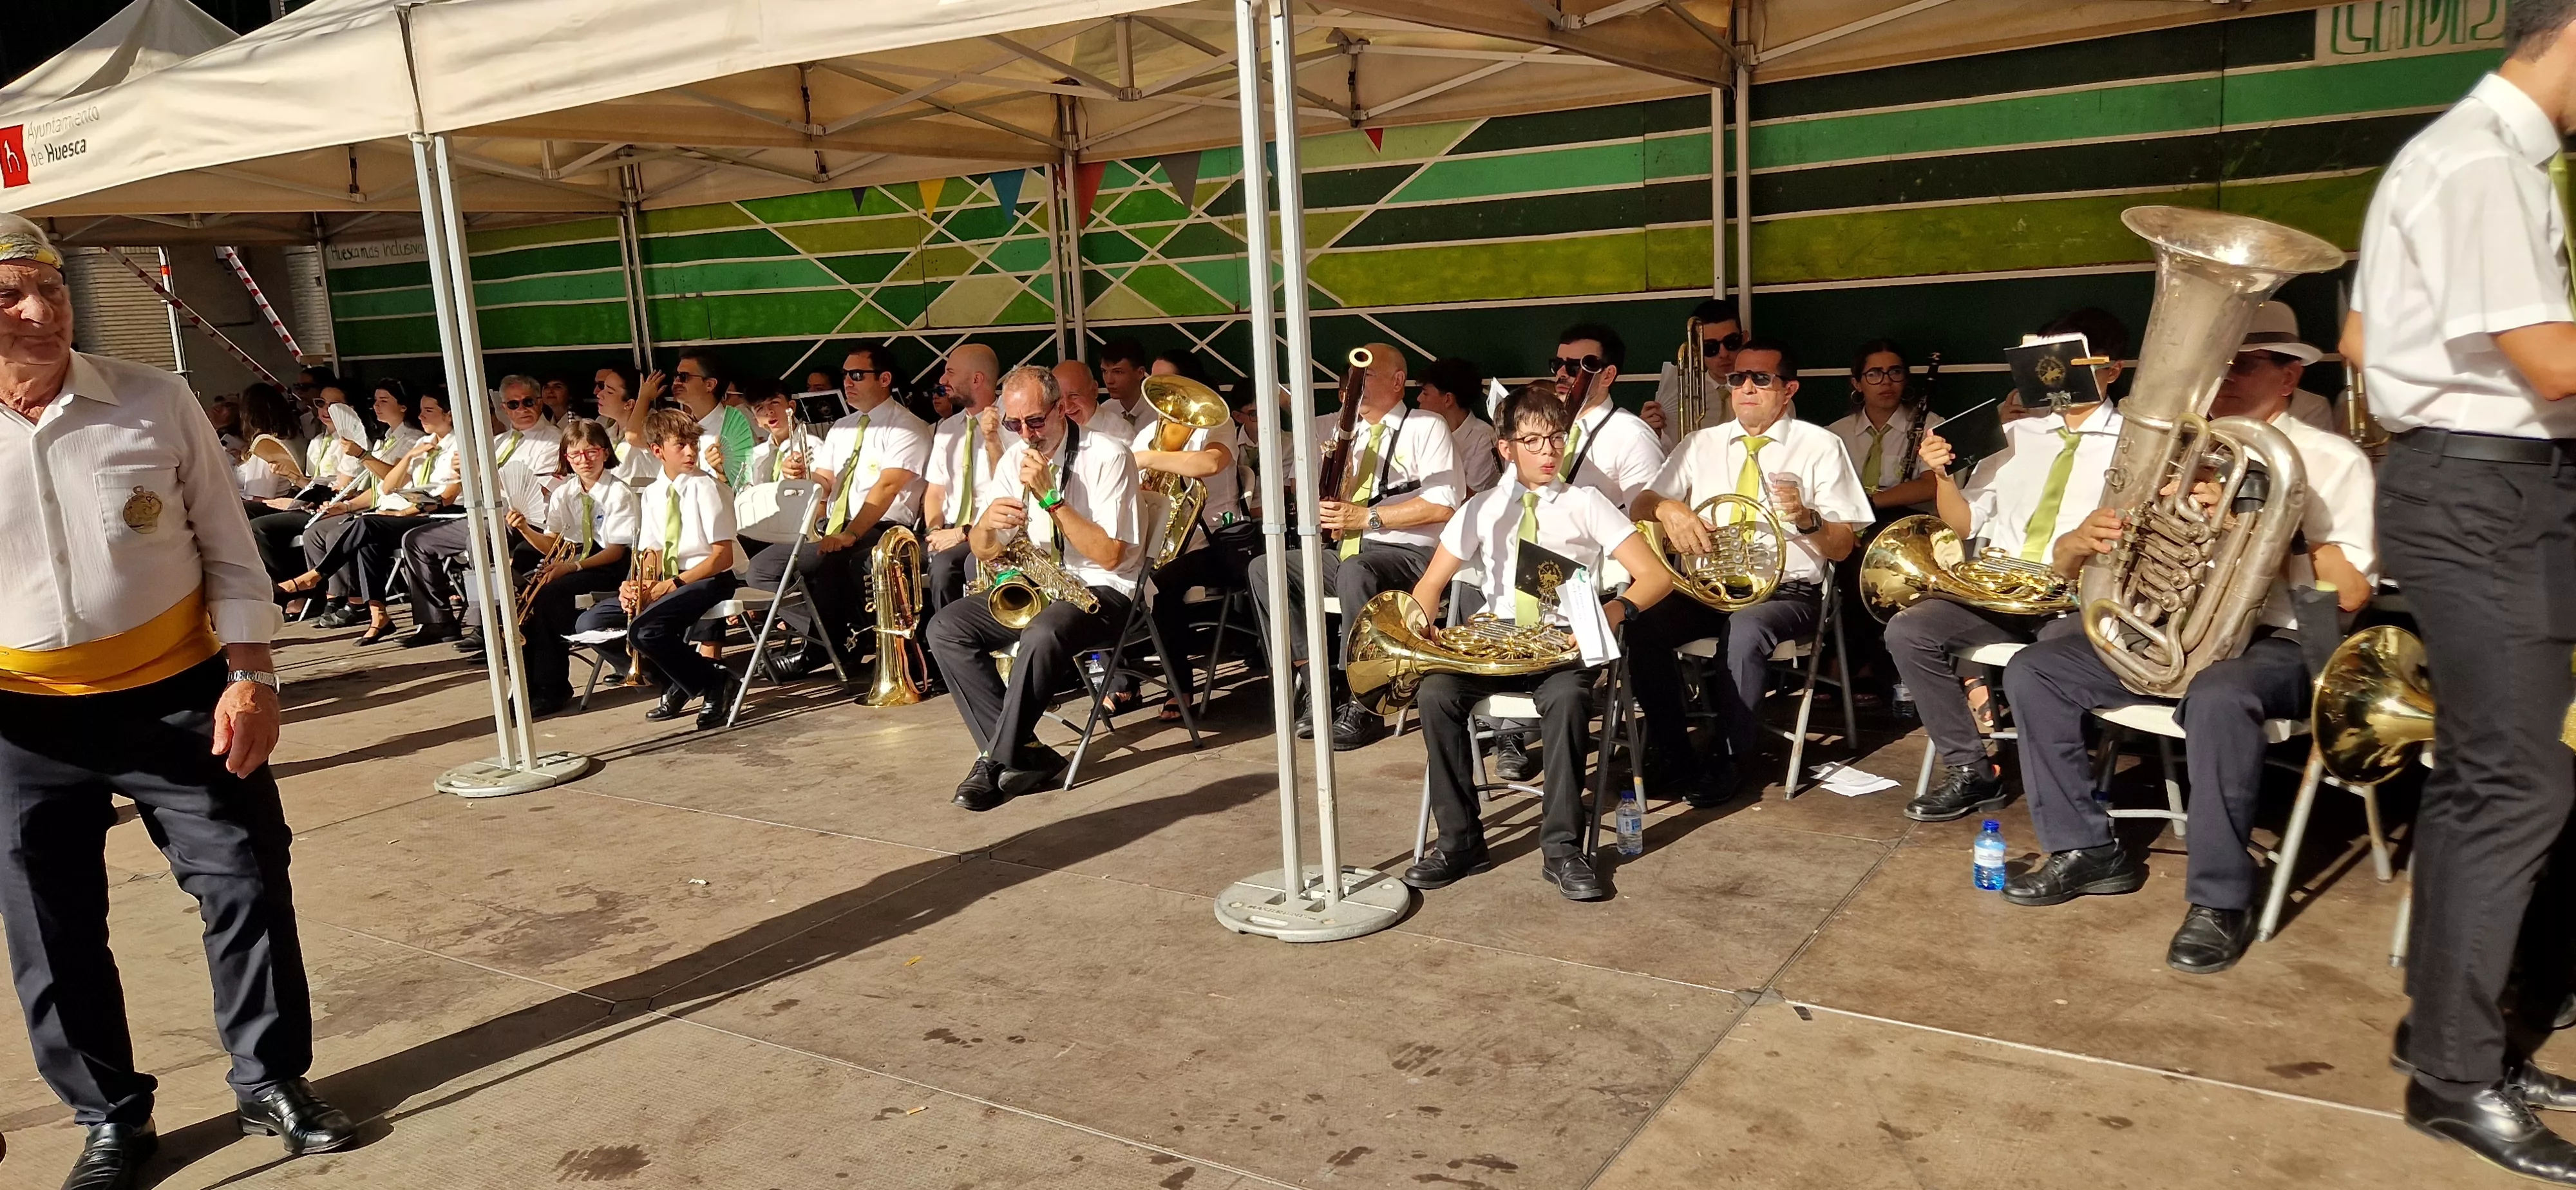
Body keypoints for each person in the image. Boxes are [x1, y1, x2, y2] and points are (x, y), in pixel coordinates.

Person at [0, 212, 355, 1190]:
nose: (42, 312)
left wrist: (253, 673)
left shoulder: (153, 400)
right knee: (49, 922)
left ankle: (270, 1077)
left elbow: (228, 551)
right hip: (21, 720)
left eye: (54, 289)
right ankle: (110, 1115)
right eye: (10, 297)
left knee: (243, 879)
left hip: (180, 693)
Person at [2344, 8, 2576, 1178]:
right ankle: (2455, 1074)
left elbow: (2359, 333)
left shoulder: (2453, 155)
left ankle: (2451, 1031)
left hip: (2466, 487)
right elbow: (2553, 363)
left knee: (2486, 777)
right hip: (2491, 494)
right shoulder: (2487, 163)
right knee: (2523, 783)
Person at [1996, 316, 2376, 965]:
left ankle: (2219, 900)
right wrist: (2113, 536)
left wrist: (2264, 531)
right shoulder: (2184, 449)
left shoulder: (2331, 459)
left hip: (2282, 640)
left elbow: (2348, 594)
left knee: (2219, 695)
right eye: (2220, 361)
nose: (2224, 375)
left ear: (2289, 378)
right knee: (2037, 670)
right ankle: (2086, 849)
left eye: (2246, 364)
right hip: (2176, 629)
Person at [1401, 388, 1675, 902]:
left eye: (1555, 438)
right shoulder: (1482, 508)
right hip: (1496, 639)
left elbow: (1655, 577)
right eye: (1532, 441)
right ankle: (1460, 842)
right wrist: (1421, 626)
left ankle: (1563, 848)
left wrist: (1609, 613)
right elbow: (1432, 584)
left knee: (1569, 700)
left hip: (1561, 640)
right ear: (1506, 448)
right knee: (1435, 694)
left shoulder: (1586, 503)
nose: (1548, 451)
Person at [1887, 309, 2130, 824]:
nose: (2054, 374)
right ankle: (1971, 768)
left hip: (2077, 597)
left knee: (2045, 662)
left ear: (2111, 369)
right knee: (1909, 630)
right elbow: (1965, 523)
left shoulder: (2135, 442)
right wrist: (1944, 476)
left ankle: (2069, 786)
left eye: (2069, 360)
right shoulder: (2019, 434)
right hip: (2003, 589)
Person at [1626, 339, 1871, 804]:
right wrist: (1671, 510)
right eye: (1738, 378)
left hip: (1786, 592)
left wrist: (1807, 519)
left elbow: (1843, 548)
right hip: (1711, 587)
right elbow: (1642, 502)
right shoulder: (1702, 443)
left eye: (1761, 379)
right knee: (1644, 624)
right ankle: (1674, 753)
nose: (1746, 388)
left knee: (1744, 629)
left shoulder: (1821, 445)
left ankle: (1732, 760)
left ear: (1788, 388)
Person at [925, 365, 1144, 808]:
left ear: (1062, 408)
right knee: (946, 628)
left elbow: (1110, 555)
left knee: (1043, 633)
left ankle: (993, 761)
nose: (1025, 433)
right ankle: (1023, 753)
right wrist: (984, 526)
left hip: (1105, 590)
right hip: (1042, 583)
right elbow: (986, 551)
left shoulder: (1109, 456)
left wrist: (1052, 499)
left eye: (1035, 421)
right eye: (1013, 424)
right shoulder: (1013, 459)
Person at [1248, 342, 1461, 751]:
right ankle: (1319, 691)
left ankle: (1365, 702)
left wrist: (1368, 517)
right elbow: (1283, 429)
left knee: (1356, 571)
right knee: (1267, 568)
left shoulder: (1426, 426)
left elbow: (1444, 503)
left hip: (1410, 553)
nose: (1354, 387)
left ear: (1398, 382)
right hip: (1349, 552)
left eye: (1367, 377)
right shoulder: (1339, 427)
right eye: (1350, 380)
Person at [752, 342, 930, 680]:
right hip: (835, 526)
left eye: (858, 375)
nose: (847, 381)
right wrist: (805, 483)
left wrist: (850, 534)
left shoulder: (907, 426)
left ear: (885, 379)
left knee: (838, 562)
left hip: (884, 527)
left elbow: (887, 488)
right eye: (846, 374)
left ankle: (826, 647)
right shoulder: (841, 427)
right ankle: (838, 640)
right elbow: (825, 480)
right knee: (762, 569)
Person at [585, 408, 742, 729]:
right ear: (658, 451)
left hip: (708, 578)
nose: (691, 452)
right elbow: (651, 551)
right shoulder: (654, 493)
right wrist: (634, 585)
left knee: (646, 630)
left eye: (693, 445)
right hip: (671, 579)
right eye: (681, 445)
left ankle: (714, 682)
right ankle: (683, 679)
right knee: (593, 621)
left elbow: (721, 558)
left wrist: (673, 585)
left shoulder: (707, 488)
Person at [392, 375, 562, 650]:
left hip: (524, 519)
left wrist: (480, 472)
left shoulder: (552, 441)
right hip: (485, 512)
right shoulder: (498, 442)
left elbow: (535, 492)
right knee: (417, 540)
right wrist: (465, 473)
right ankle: (437, 621)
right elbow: (473, 486)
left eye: (528, 402)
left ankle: (487, 625)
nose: (522, 409)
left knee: (479, 537)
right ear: (504, 408)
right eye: (514, 404)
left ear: (540, 402)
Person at [1124, 355, 1250, 721]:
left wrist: (1149, 460)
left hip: (1219, 540)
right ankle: (1123, 679)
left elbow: (1210, 464)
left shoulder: (1218, 422)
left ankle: (1180, 687)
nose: (1162, 394)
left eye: (1169, 384)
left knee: (1161, 586)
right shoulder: (1151, 432)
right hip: (1167, 543)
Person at [284, 387, 460, 645]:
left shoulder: (458, 446)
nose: (421, 416)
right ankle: (379, 616)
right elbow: (388, 487)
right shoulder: (424, 443)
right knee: (368, 540)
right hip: (415, 509)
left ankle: (318, 574)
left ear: (449, 415)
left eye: (429, 411)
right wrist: (410, 456)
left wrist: (403, 512)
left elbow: (446, 497)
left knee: (366, 523)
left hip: (440, 513)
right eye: (421, 410)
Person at [513, 420, 639, 715]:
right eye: (575, 455)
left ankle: (553, 687)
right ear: (566, 458)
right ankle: (529, 686)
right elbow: (553, 543)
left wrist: (571, 568)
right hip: (576, 558)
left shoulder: (618, 493)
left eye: (591, 452)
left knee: (550, 596)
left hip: (611, 564)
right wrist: (525, 530)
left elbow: (615, 551)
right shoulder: (564, 493)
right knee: (527, 601)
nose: (584, 461)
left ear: (605, 453)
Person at [922, 343, 1008, 618]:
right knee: (890, 560)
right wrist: (934, 530)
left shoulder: (1011, 424)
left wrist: (960, 534)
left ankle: (949, 640)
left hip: (987, 532)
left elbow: (1010, 490)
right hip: (947, 530)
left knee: (945, 567)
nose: (943, 381)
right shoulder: (947, 428)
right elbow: (935, 491)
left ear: (977, 380)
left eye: (950, 372)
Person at [1551, 323, 1665, 509]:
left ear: (1608, 375)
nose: (1561, 373)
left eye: (1575, 367)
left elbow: (1646, 522)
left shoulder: (1634, 437)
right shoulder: (1545, 426)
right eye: (1557, 364)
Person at [1826, 339, 1942, 515]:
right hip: (1852, 527)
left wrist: (1866, 505)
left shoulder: (1931, 426)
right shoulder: (1835, 435)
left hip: (1913, 527)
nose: (1886, 382)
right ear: (1857, 384)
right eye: (1874, 374)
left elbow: (1933, 485)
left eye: (1895, 372)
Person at [1643, 297, 1741, 448]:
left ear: (1745, 339)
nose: (1723, 354)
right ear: (1696, 349)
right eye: (1711, 347)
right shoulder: (1683, 394)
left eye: (1731, 342)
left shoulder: (1766, 391)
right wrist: (1648, 434)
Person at [668, 348, 755, 489]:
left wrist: (722, 475)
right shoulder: (676, 430)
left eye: (684, 376)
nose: (677, 382)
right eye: (675, 376)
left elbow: (747, 488)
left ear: (709, 385)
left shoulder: (735, 430)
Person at [1416, 357, 1499, 495]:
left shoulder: (1484, 439)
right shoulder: (1420, 432)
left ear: (1448, 399)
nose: (1419, 399)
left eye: (1425, 393)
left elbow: (1473, 498)